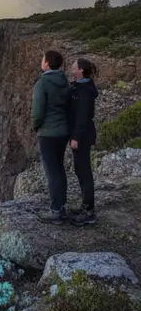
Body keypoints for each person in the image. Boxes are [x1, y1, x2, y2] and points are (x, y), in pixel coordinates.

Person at [33, 49, 72, 224]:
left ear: (47, 63)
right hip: (63, 132)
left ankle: (56, 211)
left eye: (42, 59)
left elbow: (38, 112)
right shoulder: (65, 82)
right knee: (59, 168)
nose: (41, 61)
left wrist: (36, 126)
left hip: (48, 133)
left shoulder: (42, 84)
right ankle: (61, 206)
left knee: (52, 171)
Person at [68, 57, 98, 226]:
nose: (72, 68)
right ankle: (85, 206)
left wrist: (76, 138)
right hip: (82, 134)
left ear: (80, 70)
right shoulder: (82, 86)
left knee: (84, 171)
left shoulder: (84, 91)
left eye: (74, 66)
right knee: (80, 169)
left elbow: (82, 117)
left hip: (82, 136)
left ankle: (89, 211)